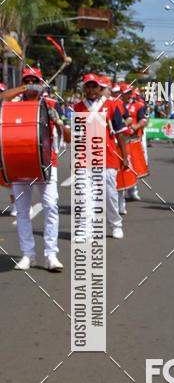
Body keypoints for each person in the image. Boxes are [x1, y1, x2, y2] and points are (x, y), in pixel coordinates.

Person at [12, 67, 70, 271]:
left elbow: (69, 137)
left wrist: (59, 121)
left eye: (34, 81)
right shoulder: (12, 105)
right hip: (19, 163)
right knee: (21, 211)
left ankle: (51, 254)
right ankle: (28, 254)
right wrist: (20, 89)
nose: (31, 85)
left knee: (51, 206)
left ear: (41, 82)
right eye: (27, 81)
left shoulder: (52, 104)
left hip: (46, 164)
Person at [73, 73, 130, 239]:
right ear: (84, 88)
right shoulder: (78, 108)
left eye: (94, 86)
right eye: (88, 86)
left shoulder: (111, 105)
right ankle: (85, 229)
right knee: (85, 195)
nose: (91, 90)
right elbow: (77, 135)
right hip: (85, 157)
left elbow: (119, 132)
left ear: (100, 88)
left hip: (108, 156)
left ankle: (115, 224)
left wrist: (124, 156)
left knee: (110, 194)